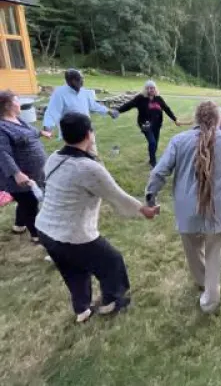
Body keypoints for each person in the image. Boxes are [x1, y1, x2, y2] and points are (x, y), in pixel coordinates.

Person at [35, 112, 159, 324]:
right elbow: (117, 196)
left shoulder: (54, 158)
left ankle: (82, 310)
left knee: (73, 270)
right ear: (88, 134)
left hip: (45, 230)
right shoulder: (88, 168)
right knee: (112, 263)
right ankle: (111, 303)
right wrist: (144, 210)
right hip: (72, 234)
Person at [145, 101, 221, 314]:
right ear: (217, 119)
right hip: (217, 210)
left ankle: (203, 283)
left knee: (193, 251)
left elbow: (159, 172)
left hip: (187, 210)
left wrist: (150, 198)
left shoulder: (179, 140)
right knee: (215, 253)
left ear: (196, 119)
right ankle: (210, 299)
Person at [0, 90, 51, 242]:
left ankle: (19, 225)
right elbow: (2, 154)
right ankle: (36, 235)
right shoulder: (2, 127)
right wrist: (16, 173)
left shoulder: (18, 120)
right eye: (17, 101)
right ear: (8, 106)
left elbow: (30, 132)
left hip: (34, 172)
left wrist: (42, 133)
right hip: (20, 175)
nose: (19, 103)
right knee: (30, 203)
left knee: (26, 201)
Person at [43, 69, 116, 155]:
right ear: (73, 81)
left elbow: (93, 105)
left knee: (92, 154)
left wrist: (108, 111)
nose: (83, 81)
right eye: (81, 79)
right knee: (75, 158)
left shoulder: (84, 92)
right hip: (71, 134)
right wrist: (48, 128)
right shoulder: (59, 93)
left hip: (87, 130)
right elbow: (52, 111)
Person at [114, 80, 181, 167]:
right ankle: (153, 162)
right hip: (145, 124)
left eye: (152, 88)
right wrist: (118, 111)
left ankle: (151, 159)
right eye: (148, 88)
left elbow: (167, 109)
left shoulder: (159, 99)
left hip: (156, 125)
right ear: (145, 89)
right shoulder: (140, 98)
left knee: (155, 144)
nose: (150, 90)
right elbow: (129, 105)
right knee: (152, 142)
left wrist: (175, 119)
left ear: (155, 89)